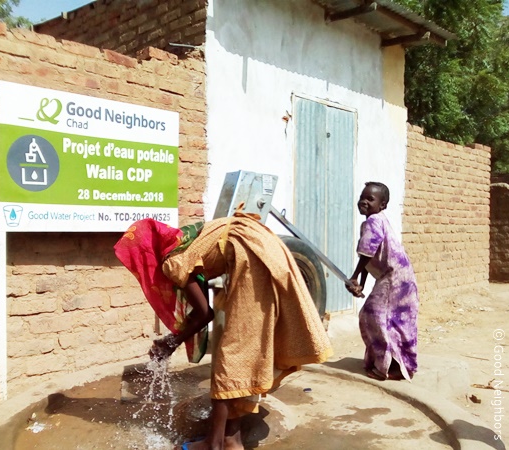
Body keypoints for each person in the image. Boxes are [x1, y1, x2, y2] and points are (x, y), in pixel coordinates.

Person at [114, 210, 333, 450]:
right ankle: (232, 438)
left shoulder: (173, 260)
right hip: (260, 247)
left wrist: (171, 343)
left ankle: (213, 444)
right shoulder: (185, 242)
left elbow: (203, 313)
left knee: (231, 357)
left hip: (253, 258)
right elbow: (204, 304)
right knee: (244, 351)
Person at [346, 182, 419, 381]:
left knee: (372, 316)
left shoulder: (373, 221)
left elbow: (367, 252)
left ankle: (385, 367)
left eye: (370, 199)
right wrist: (360, 282)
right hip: (401, 278)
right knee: (394, 321)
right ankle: (398, 364)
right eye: (362, 197)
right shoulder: (378, 220)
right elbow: (369, 256)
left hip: (394, 278)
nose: (364, 201)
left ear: (383, 204)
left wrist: (354, 277)